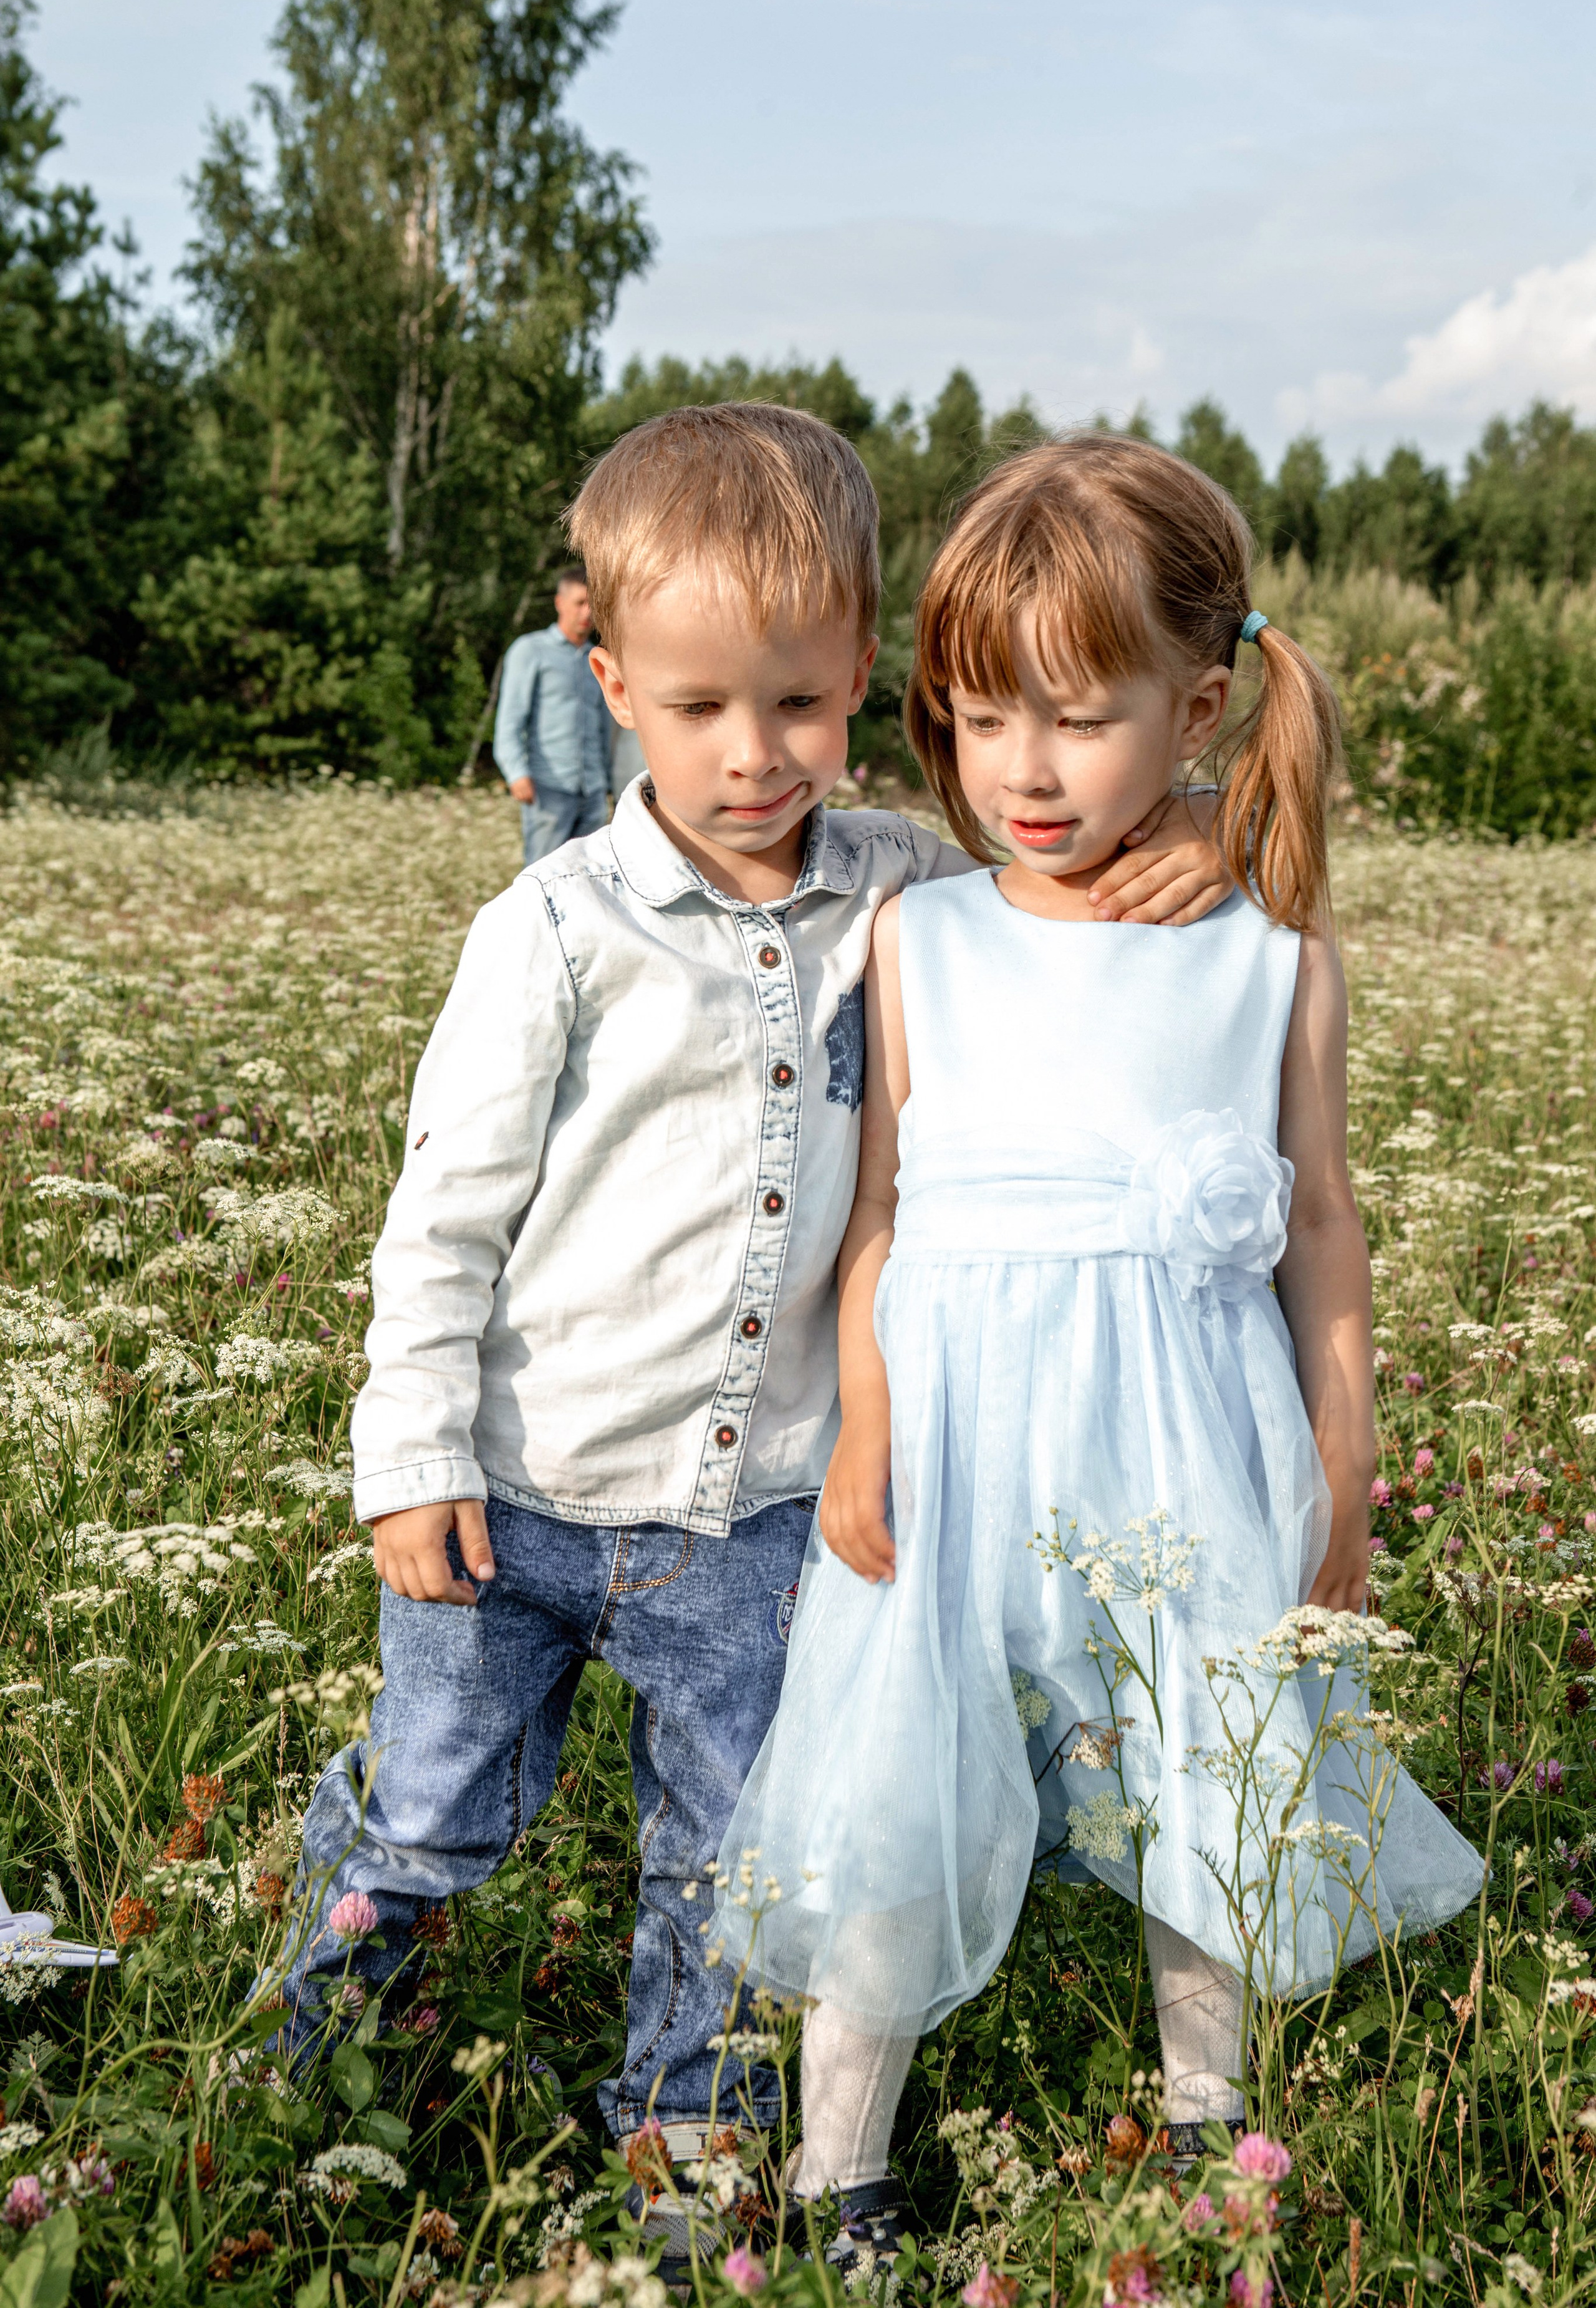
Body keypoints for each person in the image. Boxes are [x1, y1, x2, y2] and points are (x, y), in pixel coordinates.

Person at [262, 407, 1233, 2269]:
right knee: (437, 1814)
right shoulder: (552, 925)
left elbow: (1077, 853)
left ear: (862, 671)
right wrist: (410, 1466)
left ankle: (686, 2155)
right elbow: (442, 1216)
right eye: (699, 705)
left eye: (794, 702)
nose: (750, 752)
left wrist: (1184, 824)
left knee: (731, 1860)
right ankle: (303, 2061)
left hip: (766, 1511)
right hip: (522, 1496)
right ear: (610, 683)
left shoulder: (901, 885)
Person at [713, 433, 1485, 2252]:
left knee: (1206, 1766)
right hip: (956, 1436)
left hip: (1188, 1435)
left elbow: (1319, 1227)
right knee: (896, 1769)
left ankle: (1213, 2119)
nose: (1023, 771)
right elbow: (881, 1214)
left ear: (1200, 704)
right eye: (981, 721)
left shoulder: (1266, 953)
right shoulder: (921, 933)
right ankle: (843, 2166)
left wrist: (1343, 1472)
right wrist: (863, 1419)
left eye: (1074, 717)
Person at [492, 566, 613, 862]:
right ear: (560, 603)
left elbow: (607, 728)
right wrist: (516, 773)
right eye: (580, 603)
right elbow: (510, 719)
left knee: (592, 879)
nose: (587, 612)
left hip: (593, 790)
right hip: (549, 787)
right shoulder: (531, 650)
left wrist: (609, 782)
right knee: (542, 878)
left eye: (593, 604)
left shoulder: (598, 659)